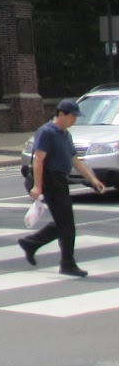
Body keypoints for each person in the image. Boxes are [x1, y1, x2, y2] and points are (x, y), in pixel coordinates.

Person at [20, 98, 112, 276]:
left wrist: (93, 179)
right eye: (72, 116)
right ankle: (67, 263)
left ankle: (31, 243)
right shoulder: (47, 132)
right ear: (61, 114)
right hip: (50, 180)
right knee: (67, 225)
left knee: (63, 223)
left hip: (60, 180)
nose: (74, 120)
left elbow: (74, 160)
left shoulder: (65, 134)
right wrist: (38, 186)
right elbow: (39, 159)